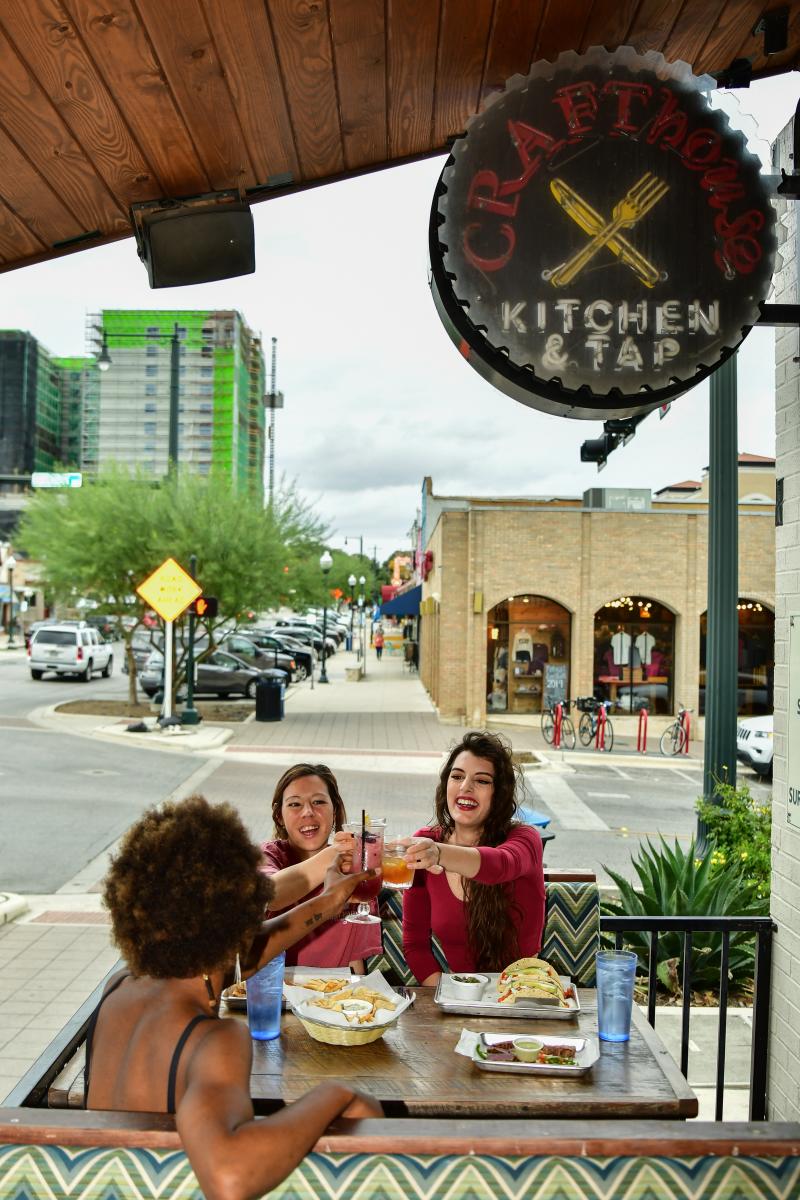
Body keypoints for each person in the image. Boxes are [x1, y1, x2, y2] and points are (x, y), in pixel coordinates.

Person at [88, 794, 381, 1200]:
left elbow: (252, 950)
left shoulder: (120, 987)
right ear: (236, 922)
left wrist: (328, 902)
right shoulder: (215, 1039)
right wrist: (336, 1093)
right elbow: (229, 1178)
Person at [401, 731, 545, 985]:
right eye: (457, 776)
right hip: (459, 1001)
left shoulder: (525, 839)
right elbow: (415, 946)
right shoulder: (425, 841)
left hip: (523, 996)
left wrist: (439, 853)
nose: (465, 787)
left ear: (498, 793)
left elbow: (500, 865)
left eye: (482, 781)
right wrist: (451, 996)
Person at [260, 763, 382, 971]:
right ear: (279, 815)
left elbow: (354, 961)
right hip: (276, 993)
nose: (308, 812)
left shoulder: (354, 868)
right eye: (295, 804)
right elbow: (271, 895)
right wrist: (334, 853)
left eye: (318, 802)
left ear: (335, 811)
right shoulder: (267, 855)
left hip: (330, 998)